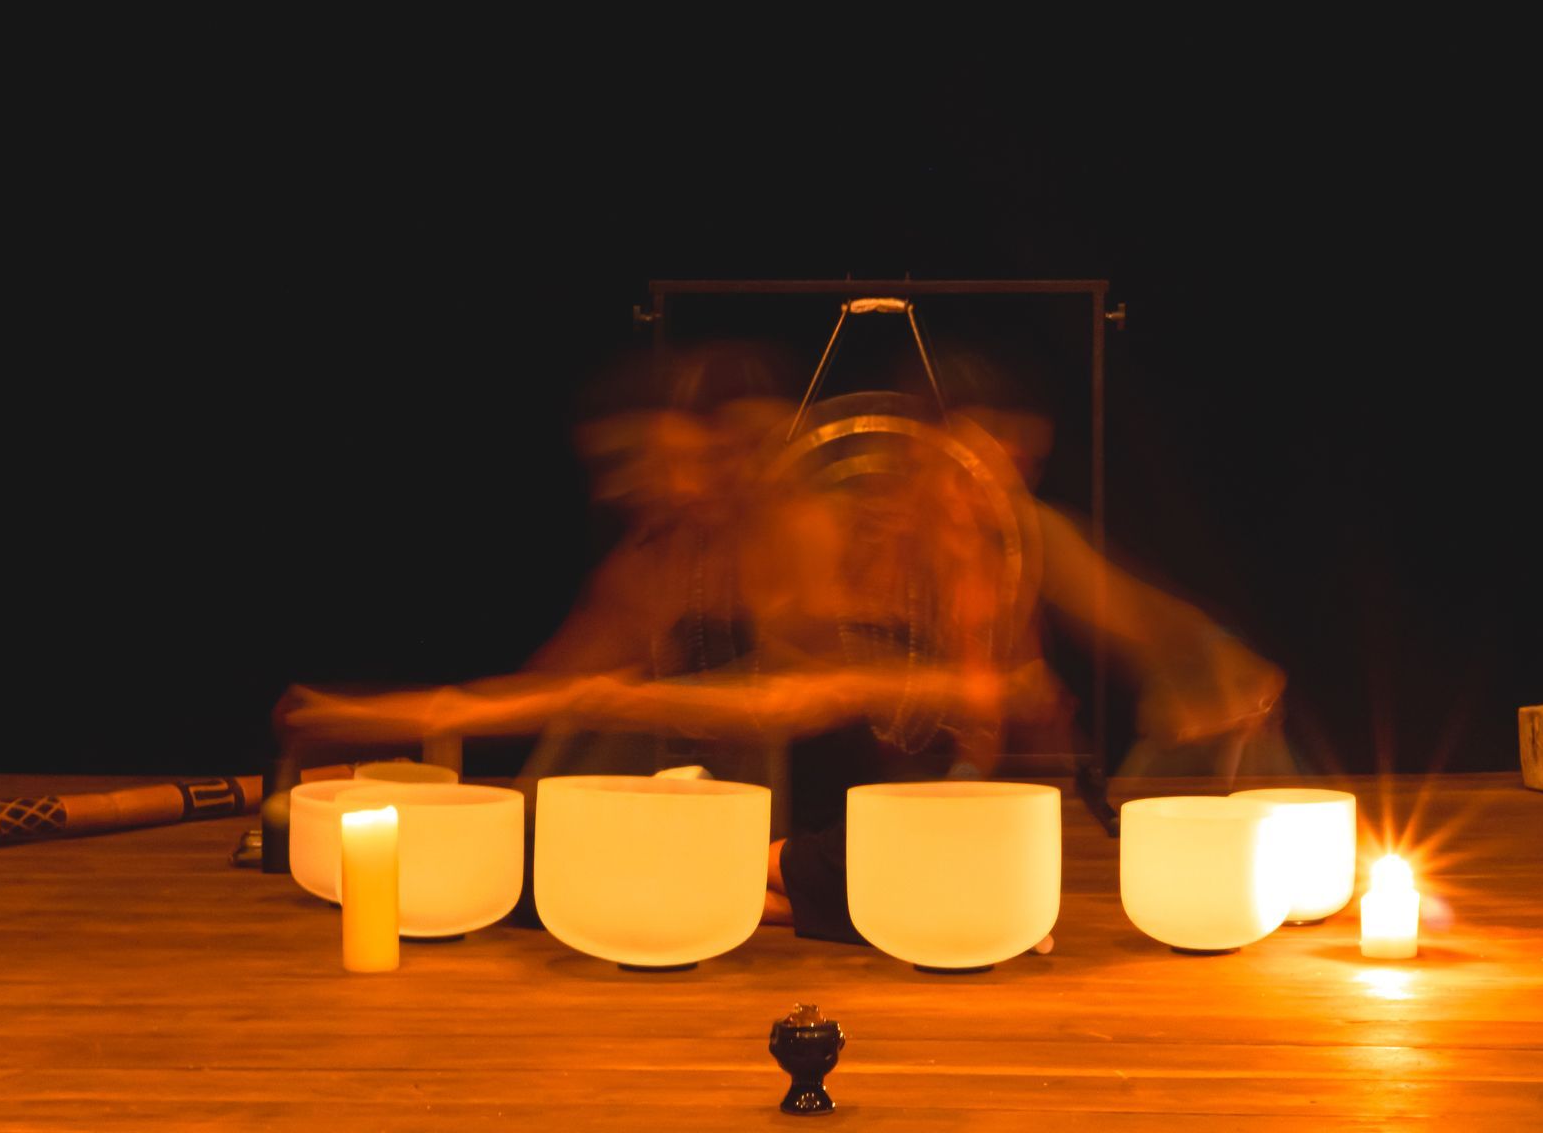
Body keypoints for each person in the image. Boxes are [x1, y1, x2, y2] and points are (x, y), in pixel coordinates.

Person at [278, 339, 1287, 939]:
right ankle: (734, 878)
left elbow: (853, 696)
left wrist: (1198, 678)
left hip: (932, 826)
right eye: (634, 465)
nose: (653, 485)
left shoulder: (926, 531)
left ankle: (766, 879)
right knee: (585, 795)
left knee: (895, 863)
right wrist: (397, 716)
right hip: (788, 815)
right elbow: (554, 688)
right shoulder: (680, 555)